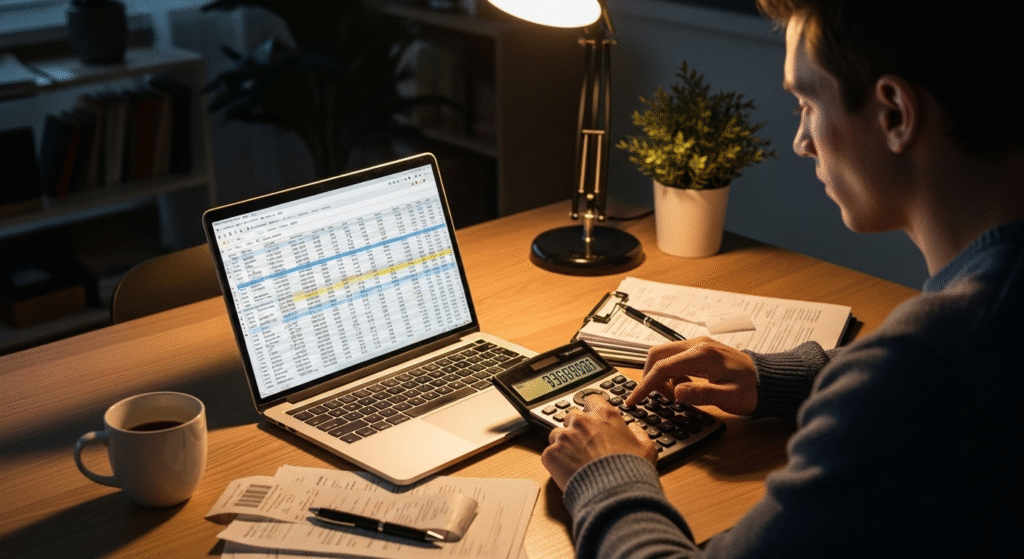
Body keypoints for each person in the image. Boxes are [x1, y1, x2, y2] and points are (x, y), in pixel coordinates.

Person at [540, 0, 1024, 557]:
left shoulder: (928, 367)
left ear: (894, 113)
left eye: (807, 103)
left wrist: (607, 474)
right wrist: (773, 378)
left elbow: (921, 383)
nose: (801, 140)